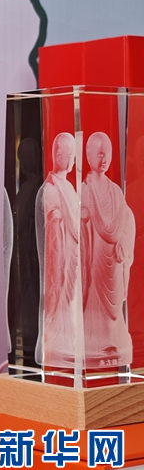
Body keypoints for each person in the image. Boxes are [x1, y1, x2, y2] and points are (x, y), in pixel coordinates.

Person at [81, 131, 135, 368]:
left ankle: (114, 340)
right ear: (88, 155)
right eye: (99, 154)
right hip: (95, 256)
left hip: (114, 258)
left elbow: (125, 218)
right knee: (95, 301)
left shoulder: (115, 191)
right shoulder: (85, 190)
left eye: (108, 154)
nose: (104, 159)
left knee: (115, 303)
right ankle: (95, 342)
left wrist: (122, 241)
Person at [34, 132, 79, 368]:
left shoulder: (69, 187)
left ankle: (70, 342)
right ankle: (57, 343)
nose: (72, 160)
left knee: (72, 301)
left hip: (73, 255)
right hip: (59, 256)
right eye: (69, 155)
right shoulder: (50, 189)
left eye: (74, 156)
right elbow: (54, 228)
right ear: (57, 155)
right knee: (58, 297)